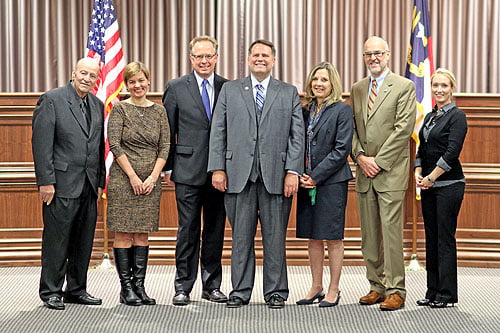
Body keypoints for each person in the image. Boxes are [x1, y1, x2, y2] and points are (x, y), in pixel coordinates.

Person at [208, 39, 305, 309]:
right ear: (248, 59)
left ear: (273, 60)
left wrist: (293, 171)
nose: (260, 58)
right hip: (238, 176)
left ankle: (276, 292)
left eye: (265, 55)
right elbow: (219, 131)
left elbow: (297, 137)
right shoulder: (230, 89)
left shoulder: (288, 92)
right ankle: (239, 291)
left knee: (275, 239)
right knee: (240, 239)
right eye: (255, 55)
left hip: (277, 177)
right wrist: (217, 167)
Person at [32, 58, 105, 310]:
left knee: (83, 240)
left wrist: (100, 181)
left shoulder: (97, 104)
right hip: (60, 184)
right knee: (57, 239)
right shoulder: (52, 100)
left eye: (92, 75)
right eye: (83, 73)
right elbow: (41, 144)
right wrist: (46, 181)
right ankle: (51, 290)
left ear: (98, 79)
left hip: (88, 184)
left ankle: (76, 289)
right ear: (73, 73)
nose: (87, 78)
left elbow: (97, 145)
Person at [351, 36, 416, 311]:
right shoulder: (357, 88)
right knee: (369, 233)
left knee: (390, 234)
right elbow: (351, 129)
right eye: (368, 54)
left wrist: (378, 161)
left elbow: (403, 129)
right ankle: (376, 286)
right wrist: (361, 158)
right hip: (365, 172)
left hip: (389, 172)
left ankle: (396, 290)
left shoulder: (404, 86)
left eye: (378, 53)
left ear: (388, 54)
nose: (373, 58)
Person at [162, 36, 229, 306]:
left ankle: (211, 286)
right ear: (191, 58)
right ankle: (183, 286)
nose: (204, 61)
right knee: (187, 230)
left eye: (209, 56)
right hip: (187, 171)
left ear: (216, 57)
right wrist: (167, 167)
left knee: (214, 230)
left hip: (219, 173)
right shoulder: (176, 87)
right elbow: (167, 130)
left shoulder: (229, 87)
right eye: (198, 56)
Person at [107, 61, 170, 306]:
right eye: (132, 81)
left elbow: (165, 146)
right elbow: (115, 145)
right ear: (126, 84)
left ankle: (140, 287)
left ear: (148, 81)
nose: (137, 85)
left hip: (150, 182)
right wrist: (133, 177)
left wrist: (153, 177)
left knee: (142, 235)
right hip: (125, 180)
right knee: (123, 233)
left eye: (141, 80)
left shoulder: (159, 110)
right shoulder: (120, 109)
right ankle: (126, 289)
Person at [295, 62, 353, 308]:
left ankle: (334, 288)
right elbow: (297, 143)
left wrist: (316, 176)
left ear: (333, 84)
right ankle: (316, 285)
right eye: (315, 79)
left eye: (324, 80)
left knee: (332, 237)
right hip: (305, 181)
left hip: (331, 182)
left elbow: (341, 149)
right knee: (313, 236)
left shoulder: (342, 110)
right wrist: (301, 175)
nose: (319, 83)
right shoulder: (305, 109)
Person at [414, 68, 467, 308]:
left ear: (452, 88)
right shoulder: (429, 116)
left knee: (444, 239)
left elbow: (451, 154)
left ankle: (446, 294)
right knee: (431, 238)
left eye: (444, 86)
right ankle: (432, 291)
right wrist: (417, 171)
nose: (439, 90)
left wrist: (431, 177)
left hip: (449, 185)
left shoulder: (457, 116)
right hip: (428, 185)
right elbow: (421, 149)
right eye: (435, 85)